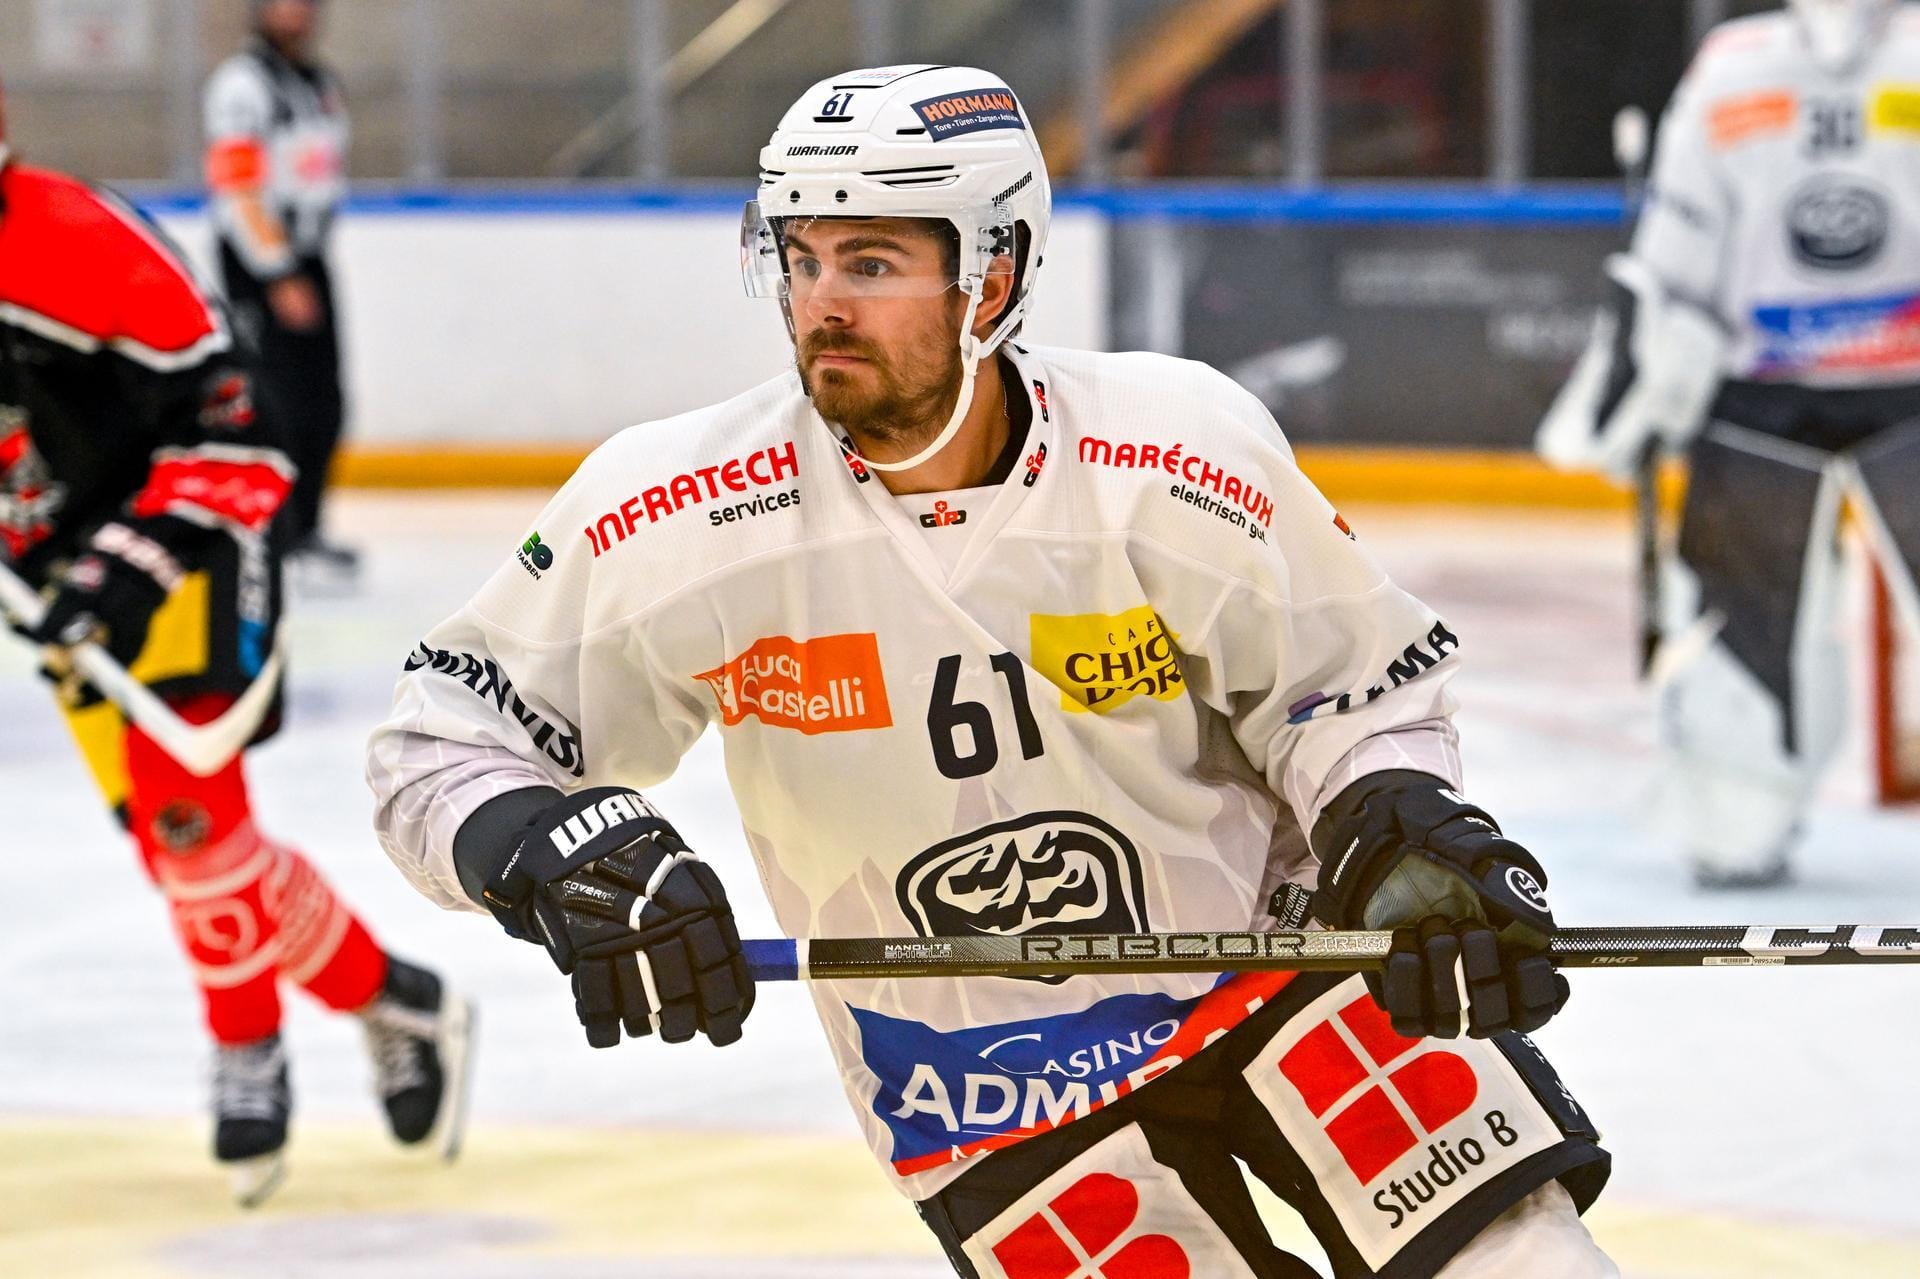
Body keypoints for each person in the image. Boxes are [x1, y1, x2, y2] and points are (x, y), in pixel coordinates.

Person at [369, 66, 1614, 1277]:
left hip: (1286, 965)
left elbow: (1351, 691)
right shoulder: (680, 510)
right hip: (978, 1080)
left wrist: (1396, 820)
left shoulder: (1176, 454)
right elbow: (442, 743)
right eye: (801, 259)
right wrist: (549, 851)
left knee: (1526, 1261)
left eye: (872, 264)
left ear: (994, 275)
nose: (822, 304)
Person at [0, 89, 470, 1207]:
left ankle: (247, 1046)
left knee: (191, 826)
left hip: (191, 546)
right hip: (65, 575)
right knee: (187, 856)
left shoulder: (72, 242)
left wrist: (120, 570)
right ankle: (393, 996)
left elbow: (242, 431)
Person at [1537, 0, 1920, 888]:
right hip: (1788, 402)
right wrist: (1641, 375)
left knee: (1741, 628)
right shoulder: (1742, 66)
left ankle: (1738, 821)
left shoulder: (1736, 66)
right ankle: (1736, 816)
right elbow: (1676, 254)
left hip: (1776, 401)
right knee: (1741, 633)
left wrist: (1638, 384)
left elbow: (1673, 257)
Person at [203, 0, 357, 576]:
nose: (294, 11)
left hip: (308, 256)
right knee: (275, 398)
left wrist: (301, 263)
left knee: (324, 400)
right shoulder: (241, 85)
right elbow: (238, 188)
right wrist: (276, 271)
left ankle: (306, 527)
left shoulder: (319, 83)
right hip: (261, 264)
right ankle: (274, 533)